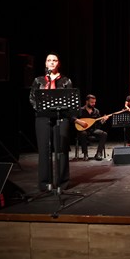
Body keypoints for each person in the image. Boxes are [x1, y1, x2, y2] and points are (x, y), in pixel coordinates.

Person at [29, 53, 79, 191]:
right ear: (45, 63)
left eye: (54, 60)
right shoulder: (38, 80)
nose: (51, 62)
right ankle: (45, 183)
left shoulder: (66, 81)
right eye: (49, 60)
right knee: (44, 150)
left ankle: (62, 183)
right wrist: (41, 108)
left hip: (60, 118)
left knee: (61, 150)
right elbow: (32, 98)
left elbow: (70, 100)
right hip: (42, 117)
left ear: (59, 63)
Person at [75, 94, 108, 161]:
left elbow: (98, 124)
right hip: (83, 131)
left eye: (94, 102)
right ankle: (85, 154)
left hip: (93, 130)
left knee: (104, 134)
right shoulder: (80, 110)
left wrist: (103, 120)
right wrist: (79, 122)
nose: (94, 104)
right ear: (87, 102)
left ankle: (98, 154)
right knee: (83, 133)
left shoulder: (96, 111)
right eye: (92, 102)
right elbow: (72, 118)